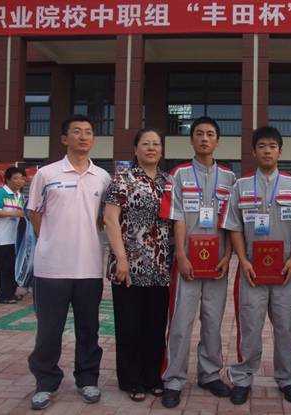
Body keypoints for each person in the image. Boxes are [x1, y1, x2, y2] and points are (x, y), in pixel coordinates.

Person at [221, 126, 291, 405]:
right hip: (251, 271)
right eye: (262, 146)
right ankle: (243, 377)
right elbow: (234, 227)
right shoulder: (240, 186)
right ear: (254, 151)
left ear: (280, 151)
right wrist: (243, 260)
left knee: (285, 326)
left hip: (285, 271)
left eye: (272, 146)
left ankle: (287, 378)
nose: (267, 151)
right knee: (249, 326)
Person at [26, 115, 111, 410]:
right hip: (51, 268)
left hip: (89, 267)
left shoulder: (103, 177)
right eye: (76, 131)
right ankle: (45, 382)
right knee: (49, 331)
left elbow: (104, 220)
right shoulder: (46, 174)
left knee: (89, 329)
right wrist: (52, 241)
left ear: (93, 139)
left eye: (88, 132)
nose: (83, 137)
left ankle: (87, 379)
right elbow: (35, 214)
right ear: (64, 139)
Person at [159, 117, 236, 408]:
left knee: (213, 321)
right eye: (199, 134)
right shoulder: (178, 174)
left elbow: (232, 223)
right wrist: (180, 255)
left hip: (217, 264)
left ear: (217, 141)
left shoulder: (229, 178)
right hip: (187, 262)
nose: (205, 138)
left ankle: (210, 374)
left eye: (210, 134)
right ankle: (173, 379)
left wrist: (228, 256)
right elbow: (177, 216)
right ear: (191, 139)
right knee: (181, 322)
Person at [103, 128, 172, 401]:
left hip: (160, 268)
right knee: (129, 326)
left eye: (156, 144)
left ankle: (152, 377)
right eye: (146, 144)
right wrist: (121, 258)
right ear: (135, 149)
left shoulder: (168, 181)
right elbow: (110, 219)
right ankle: (131, 380)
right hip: (128, 267)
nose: (151, 148)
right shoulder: (122, 179)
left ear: (162, 150)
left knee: (155, 326)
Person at [0, 166, 26, 304]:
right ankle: (3, 296)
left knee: (13, 267)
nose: (20, 181)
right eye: (16, 178)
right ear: (7, 180)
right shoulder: (2, 193)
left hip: (15, 238)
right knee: (5, 268)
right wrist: (14, 213)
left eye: (22, 178)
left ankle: (12, 292)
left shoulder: (19, 196)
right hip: (3, 238)